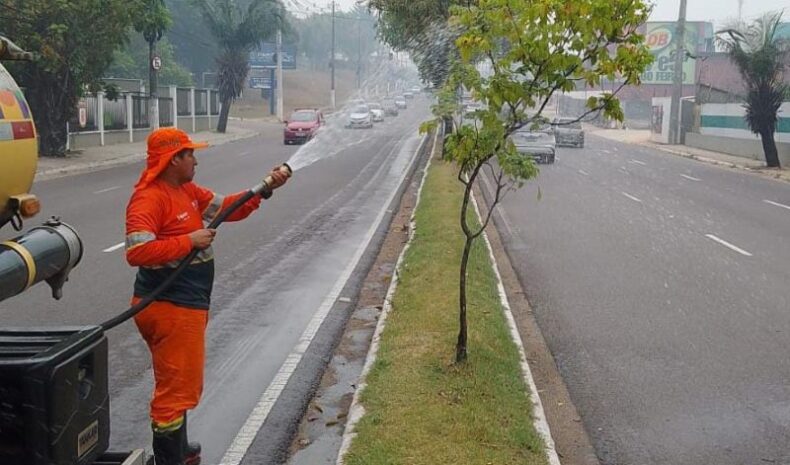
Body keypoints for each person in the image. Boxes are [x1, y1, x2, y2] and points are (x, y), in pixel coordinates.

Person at [124, 128, 288, 465]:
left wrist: (265, 188)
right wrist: (189, 241)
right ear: (173, 160)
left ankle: (180, 450)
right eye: (189, 154)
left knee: (179, 381)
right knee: (174, 391)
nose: (195, 160)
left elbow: (227, 208)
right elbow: (137, 250)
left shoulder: (186, 189)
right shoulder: (149, 197)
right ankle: (171, 459)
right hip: (170, 305)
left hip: (185, 303)